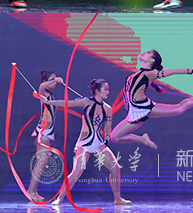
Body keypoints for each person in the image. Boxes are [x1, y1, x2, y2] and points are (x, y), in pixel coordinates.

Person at [42, 79, 131, 206]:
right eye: (105, 89)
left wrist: (106, 141)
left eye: (108, 89)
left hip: (99, 143)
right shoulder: (86, 102)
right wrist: (49, 102)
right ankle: (59, 198)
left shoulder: (107, 108)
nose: (108, 92)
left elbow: (108, 127)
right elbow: (67, 103)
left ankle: (118, 199)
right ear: (97, 91)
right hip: (85, 143)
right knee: (76, 172)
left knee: (115, 168)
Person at [110, 50, 193, 149]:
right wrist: (157, 88)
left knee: (179, 109)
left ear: (152, 60)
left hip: (144, 107)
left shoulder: (150, 73)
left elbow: (172, 71)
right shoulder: (139, 74)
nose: (144, 53)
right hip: (133, 112)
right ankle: (143, 140)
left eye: (148, 53)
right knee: (115, 137)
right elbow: (144, 81)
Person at [27, 71, 63, 201]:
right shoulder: (43, 93)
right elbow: (42, 86)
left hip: (48, 132)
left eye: (55, 79)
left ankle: (33, 191)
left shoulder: (50, 96)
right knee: (40, 163)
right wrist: (56, 80)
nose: (54, 82)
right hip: (43, 132)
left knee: (42, 163)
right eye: (51, 79)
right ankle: (31, 191)